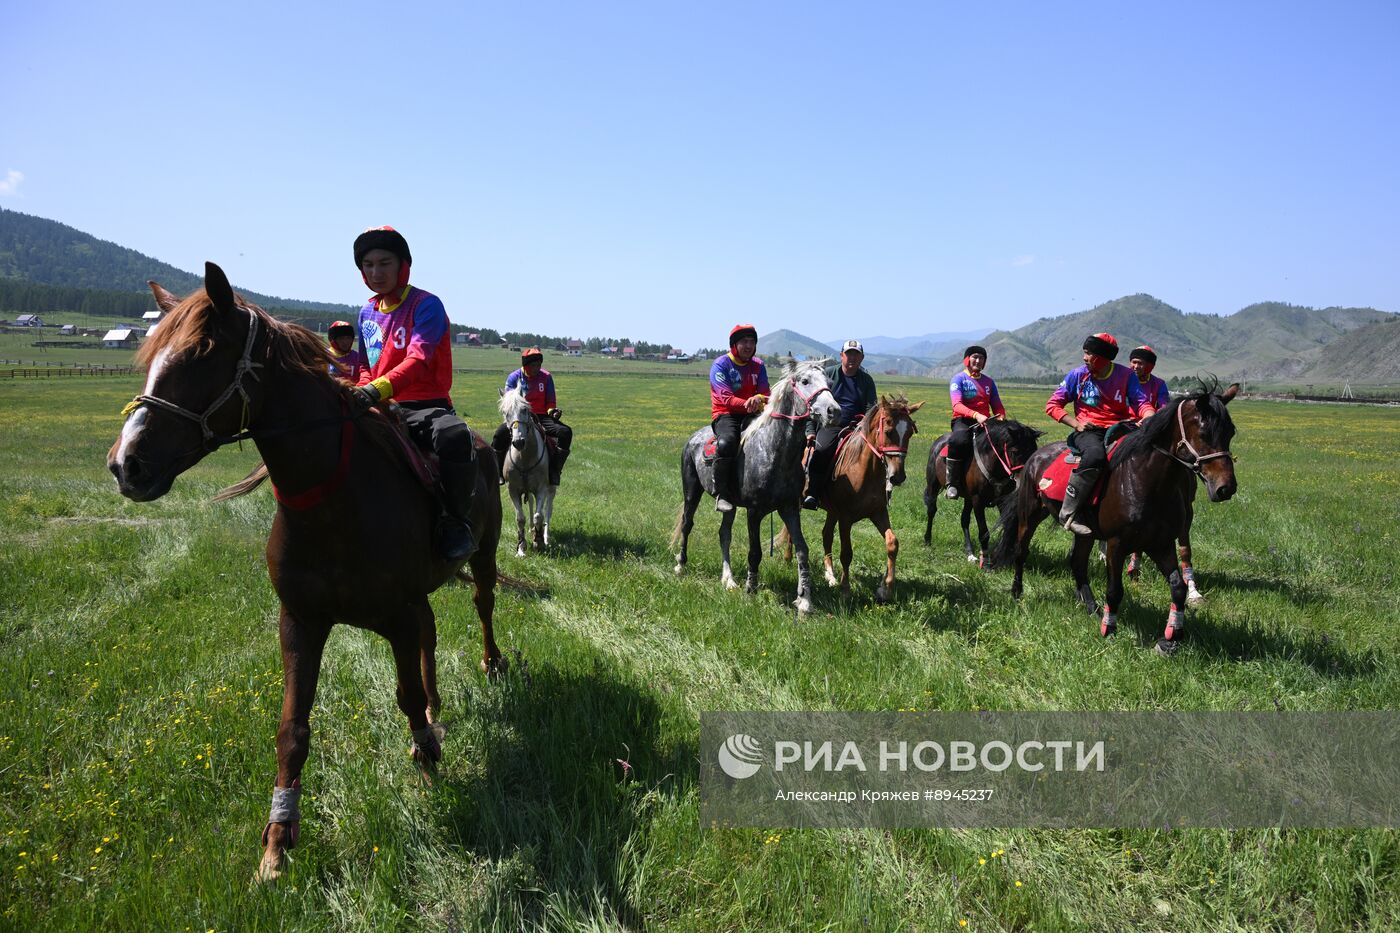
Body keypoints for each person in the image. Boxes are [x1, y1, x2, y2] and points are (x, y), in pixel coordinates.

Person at [348, 226, 478, 560]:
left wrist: (375, 390)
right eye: (368, 265)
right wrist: (363, 389)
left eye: (385, 263)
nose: (376, 272)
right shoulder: (366, 312)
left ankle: (456, 522)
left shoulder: (426, 305)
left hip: (424, 406)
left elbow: (419, 360)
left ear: (403, 265)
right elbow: (365, 364)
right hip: (377, 403)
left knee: (453, 436)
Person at [1045, 332, 1156, 535]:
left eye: (1089, 353)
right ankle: (1068, 512)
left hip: (1120, 428)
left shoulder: (1126, 376)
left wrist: (1149, 416)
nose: (1084, 358)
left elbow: (1141, 403)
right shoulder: (1077, 375)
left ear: (1102, 358)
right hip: (1089, 430)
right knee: (1095, 456)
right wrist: (1076, 424)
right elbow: (1053, 405)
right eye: (1085, 352)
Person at [802, 339, 877, 509]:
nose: (852, 358)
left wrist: (864, 426)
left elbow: (871, 409)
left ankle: (876, 494)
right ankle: (813, 493)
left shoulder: (866, 380)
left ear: (862, 358)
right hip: (831, 425)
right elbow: (812, 403)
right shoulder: (828, 374)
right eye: (849, 354)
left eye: (856, 355)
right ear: (841, 355)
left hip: (858, 427)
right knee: (822, 450)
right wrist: (810, 430)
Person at [492, 347, 573, 485]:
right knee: (499, 435)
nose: (536, 368)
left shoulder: (546, 377)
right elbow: (509, 402)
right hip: (518, 417)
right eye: (533, 365)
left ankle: (554, 470)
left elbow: (550, 402)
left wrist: (552, 411)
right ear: (525, 365)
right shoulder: (514, 377)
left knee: (565, 432)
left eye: (539, 365)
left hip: (541, 416)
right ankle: (498, 472)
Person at [709, 323, 769, 512]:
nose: (749, 346)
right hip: (726, 414)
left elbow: (766, 393)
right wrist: (748, 403)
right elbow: (725, 398)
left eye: (752, 342)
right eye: (744, 341)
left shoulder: (758, 365)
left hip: (753, 413)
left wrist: (759, 398)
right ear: (734, 344)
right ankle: (721, 493)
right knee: (727, 442)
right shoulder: (721, 365)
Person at [943, 344, 1007, 500]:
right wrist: (976, 415)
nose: (978, 361)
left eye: (981, 358)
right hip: (963, 420)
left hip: (985, 421)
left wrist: (1001, 416)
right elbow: (957, 404)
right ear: (967, 359)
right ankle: (952, 483)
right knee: (959, 441)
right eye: (975, 357)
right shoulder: (958, 379)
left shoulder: (989, 382)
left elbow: (997, 405)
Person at [1128, 345, 1171, 415]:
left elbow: (1164, 408)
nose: (1136, 366)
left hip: (1149, 419)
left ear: (1149, 366)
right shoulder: (1123, 380)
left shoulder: (1159, 384)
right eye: (1134, 362)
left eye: (1140, 363)